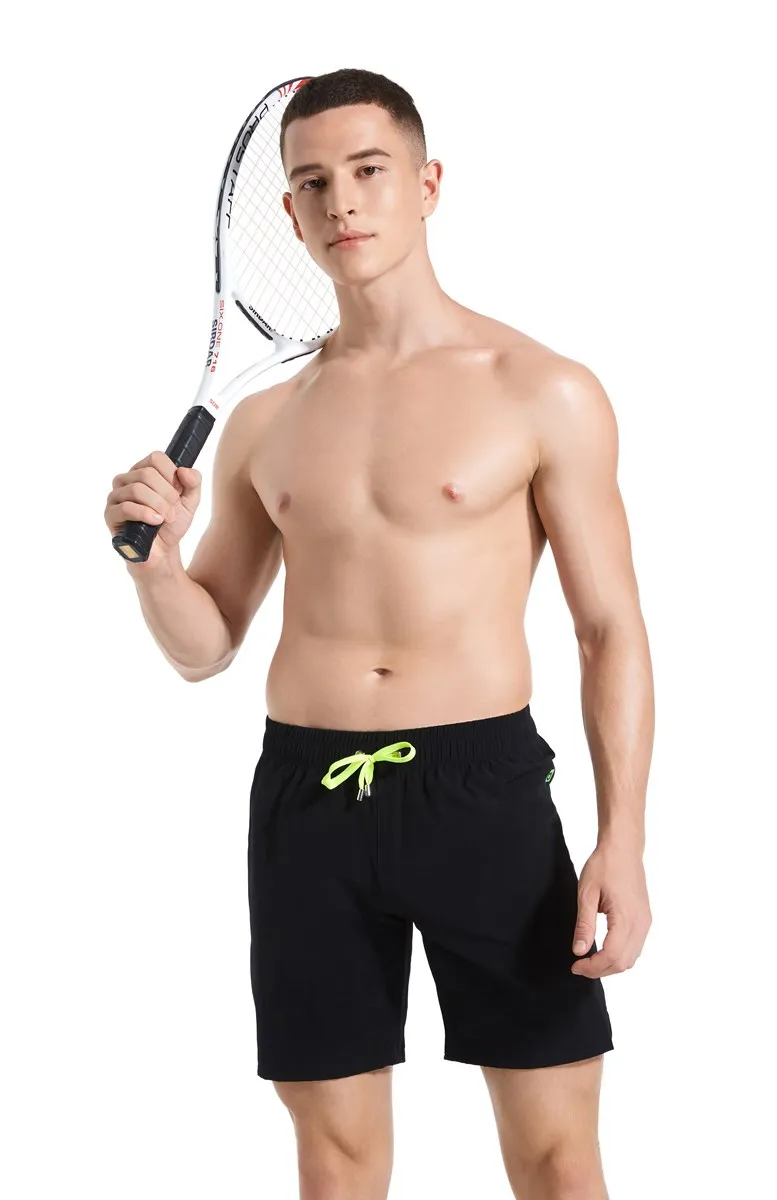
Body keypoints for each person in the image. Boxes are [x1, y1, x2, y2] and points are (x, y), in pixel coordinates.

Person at [105, 67, 653, 1200]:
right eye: (312, 183)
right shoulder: (268, 418)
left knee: (555, 1154)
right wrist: (154, 563)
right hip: (304, 800)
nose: (341, 201)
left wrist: (622, 840)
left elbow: (609, 629)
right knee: (335, 1159)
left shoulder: (538, 386)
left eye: (368, 170)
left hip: (481, 792)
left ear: (427, 183)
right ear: (289, 212)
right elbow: (207, 647)